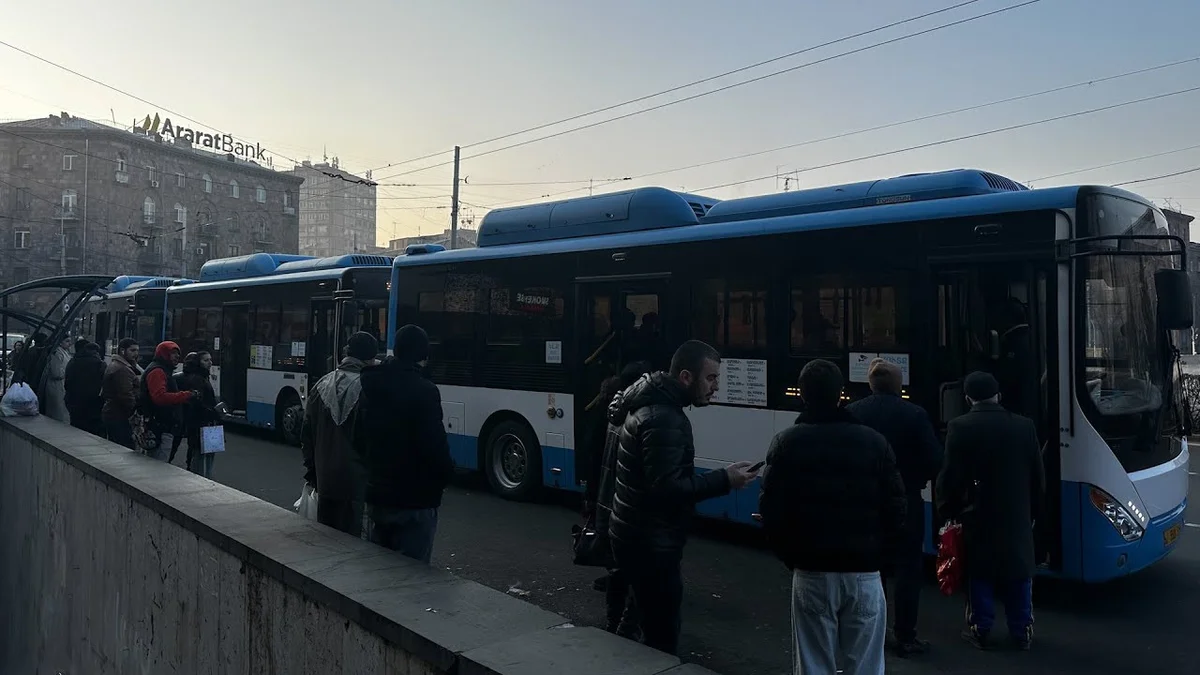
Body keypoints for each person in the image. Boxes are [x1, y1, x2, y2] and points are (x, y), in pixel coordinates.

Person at [608, 339, 759, 656]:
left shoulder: (651, 406)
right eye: (711, 378)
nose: (715, 387)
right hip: (651, 544)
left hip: (635, 536)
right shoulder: (665, 418)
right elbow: (667, 490)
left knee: (633, 620)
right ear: (686, 377)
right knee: (661, 639)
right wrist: (725, 479)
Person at [759, 359, 906, 675]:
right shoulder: (874, 443)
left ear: (803, 397)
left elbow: (772, 513)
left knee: (814, 665)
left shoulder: (787, 443)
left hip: (813, 572)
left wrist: (793, 557)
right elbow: (896, 510)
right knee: (866, 665)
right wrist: (879, 556)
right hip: (865, 574)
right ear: (842, 394)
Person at [936, 371, 1044, 651]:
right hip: (1017, 510)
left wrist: (948, 509)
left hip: (977, 511)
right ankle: (1022, 630)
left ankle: (980, 628)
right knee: (1019, 570)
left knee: (979, 571)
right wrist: (1034, 509)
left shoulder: (960, 426)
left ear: (968, 397)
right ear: (998, 395)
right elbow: (1037, 475)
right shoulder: (1024, 426)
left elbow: (950, 476)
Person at [845, 358, 942, 657]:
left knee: (873, 569)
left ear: (870, 385)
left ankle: (877, 631)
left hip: (865, 503)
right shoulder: (914, 415)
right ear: (899, 386)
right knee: (908, 569)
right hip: (906, 501)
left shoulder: (852, 413)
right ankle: (906, 635)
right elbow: (934, 459)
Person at [360, 325, 454, 563]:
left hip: (378, 495)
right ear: (422, 355)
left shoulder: (371, 385)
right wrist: (444, 478)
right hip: (415, 499)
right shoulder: (425, 391)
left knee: (379, 572)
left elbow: (358, 436)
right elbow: (435, 448)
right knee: (412, 577)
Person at [583, 360, 652, 641]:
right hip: (620, 506)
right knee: (630, 569)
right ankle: (622, 627)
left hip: (608, 503)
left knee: (618, 565)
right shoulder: (632, 421)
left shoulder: (613, 415)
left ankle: (616, 623)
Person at [301, 332, 377, 538]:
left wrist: (312, 472)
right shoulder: (368, 389)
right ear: (371, 358)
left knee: (327, 541)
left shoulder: (321, 385)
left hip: (325, 480)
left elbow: (307, 435)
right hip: (357, 484)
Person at [137, 341, 196, 461]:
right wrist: (186, 395)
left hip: (162, 425)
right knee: (158, 465)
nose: (177, 356)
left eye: (178, 354)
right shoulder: (158, 371)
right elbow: (160, 397)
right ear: (163, 354)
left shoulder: (163, 370)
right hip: (160, 427)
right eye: (173, 353)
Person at [175, 351, 220, 478]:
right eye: (206, 360)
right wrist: (212, 412)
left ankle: (203, 476)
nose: (210, 363)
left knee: (206, 452)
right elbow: (196, 402)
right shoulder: (197, 379)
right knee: (199, 453)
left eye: (210, 360)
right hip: (200, 422)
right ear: (198, 362)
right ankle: (199, 478)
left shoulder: (203, 377)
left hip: (205, 422)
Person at [102, 339, 141, 448]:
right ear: (122, 351)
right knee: (124, 447)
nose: (136, 354)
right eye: (132, 350)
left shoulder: (117, 365)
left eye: (137, 351)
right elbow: (126, 395)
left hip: (113, 413)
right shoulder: (122, 370)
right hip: (119, 415)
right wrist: (136, 411)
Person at [64, 340, 107, 436]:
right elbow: (105, 385)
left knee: (76, 430)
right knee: (94, 432)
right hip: (93, 404)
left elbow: (67, 384)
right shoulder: (100, 364)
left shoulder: (72, 362)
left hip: (74, 402)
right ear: (97, 352)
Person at [44, 336, 72, 422]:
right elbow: (56, 372)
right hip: (56, 386)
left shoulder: (64, 352)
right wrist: (68, 373)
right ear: (60, 342)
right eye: (67, 341)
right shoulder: (57, 353)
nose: (69, 344)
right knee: (57, 413)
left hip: (61, 385)